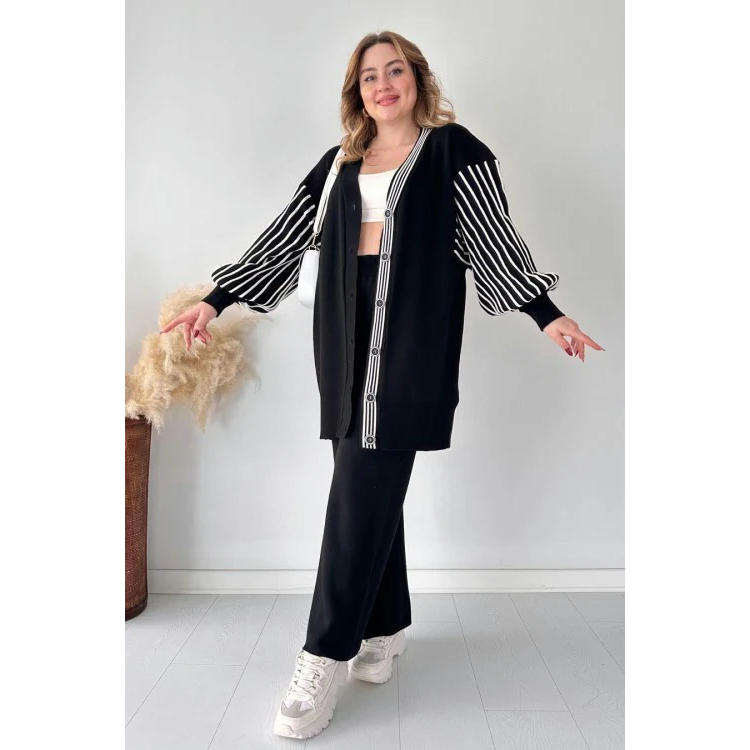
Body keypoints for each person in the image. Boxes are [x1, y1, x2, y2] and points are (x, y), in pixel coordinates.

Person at [160, 31, 603, 740]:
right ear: (357, 92)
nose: (383, 83)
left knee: (359, 488)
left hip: (413, 334)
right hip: (342, 330)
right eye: (369, 76)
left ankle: (322, 653)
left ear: (417, 79)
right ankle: (386, 626)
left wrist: (547, 314)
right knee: (362, 480)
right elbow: (283, 237)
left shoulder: (454, 151)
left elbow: (493, 238)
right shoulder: (339, 162)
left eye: (395, 70)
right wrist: (214, 301)